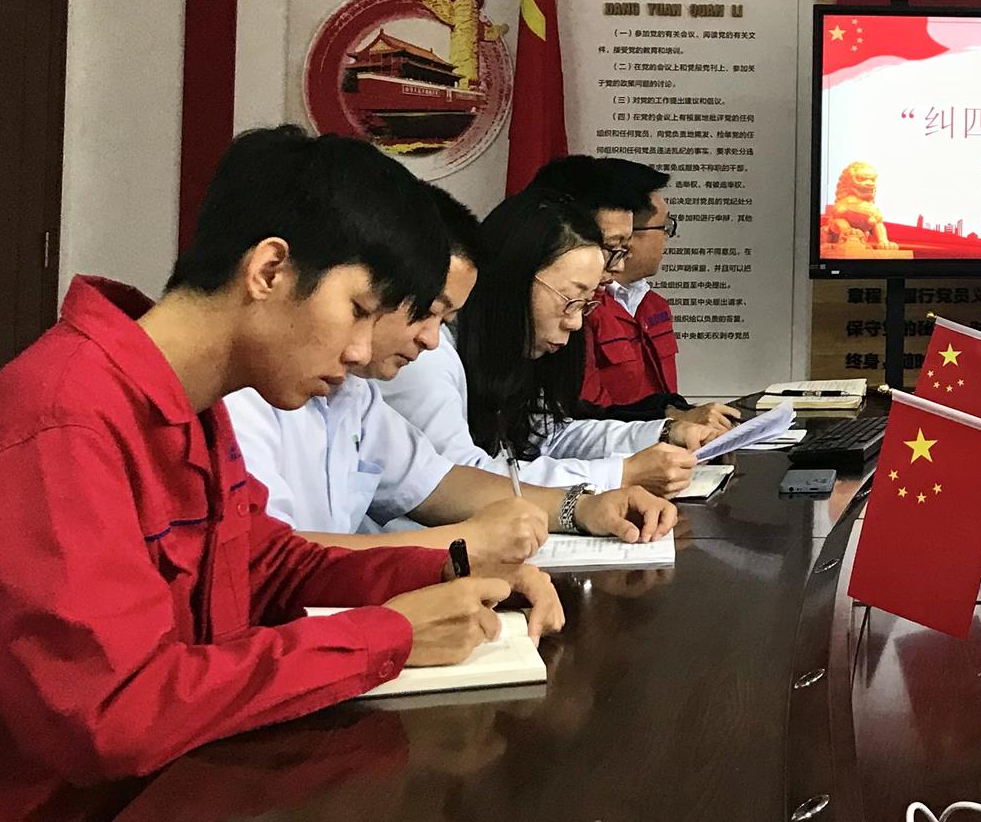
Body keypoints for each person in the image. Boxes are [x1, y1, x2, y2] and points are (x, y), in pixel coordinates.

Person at [0, 128, 562, 822]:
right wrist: (386, 635)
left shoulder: (187, 407)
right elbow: (114, 714)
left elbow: (265, 565)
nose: (362, 352)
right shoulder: (62, 422)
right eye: (359, 309)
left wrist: (449, 570)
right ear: (269, 269)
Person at [226, 187, 677, 555]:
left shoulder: (352, 393)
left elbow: (436, 481)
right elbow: (275, 561)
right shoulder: (240, 399)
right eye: (361, 308)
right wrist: (464, 545)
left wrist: (577, 507)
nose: (430, 339)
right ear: (271, 274)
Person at [379, 189, 729, 496]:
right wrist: (620, 475)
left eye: (586, 304)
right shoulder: (427, 353)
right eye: (570, 300)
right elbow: (460, 482)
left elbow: (549, 437)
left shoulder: (516, 351)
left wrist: (664, 434)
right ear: (514, 282)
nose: (575, 322)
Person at [532, 155, 693, 418]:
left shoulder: (652, 304)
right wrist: (667, 423)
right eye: (613, 246)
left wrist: (674, 417)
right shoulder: (576, 313)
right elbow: (579, 420)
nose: (618, 263)